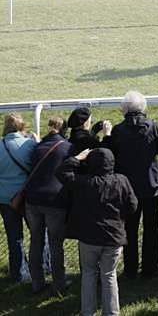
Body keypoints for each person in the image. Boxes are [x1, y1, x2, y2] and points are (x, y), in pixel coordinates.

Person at [56, 148, 137, 316]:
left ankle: (87, 312)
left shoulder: (84, 182)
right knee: (109, 275)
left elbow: (61, 172)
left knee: (88, 274)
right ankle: (111, 313)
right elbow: (132, 206)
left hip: (89, 237)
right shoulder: (121, 181)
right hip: (113, 236)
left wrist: (78, 158)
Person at [105, 91, 158, 279]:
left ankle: (131, 268)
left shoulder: (118, 131)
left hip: (126, 187)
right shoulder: (154, 127)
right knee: (151, 227)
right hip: (150, 185)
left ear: (124, 109)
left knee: (129, 228)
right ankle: (151, 267)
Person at [24, 116, 73, 295]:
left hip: (33, 200)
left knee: (35, 242)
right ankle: (59, 283)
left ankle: (37, 283)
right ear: (64, 130)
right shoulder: (67, 147)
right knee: (55, 243)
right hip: (54, 201)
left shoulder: (38, 147)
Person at [0, 114, 35, 283]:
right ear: (22, 126)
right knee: (37, 234)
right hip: (27, 196)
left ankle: (19, 272)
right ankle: (41, 268)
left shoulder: (0, 146)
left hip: (6, 199)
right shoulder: (29, 145)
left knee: (14, 238)